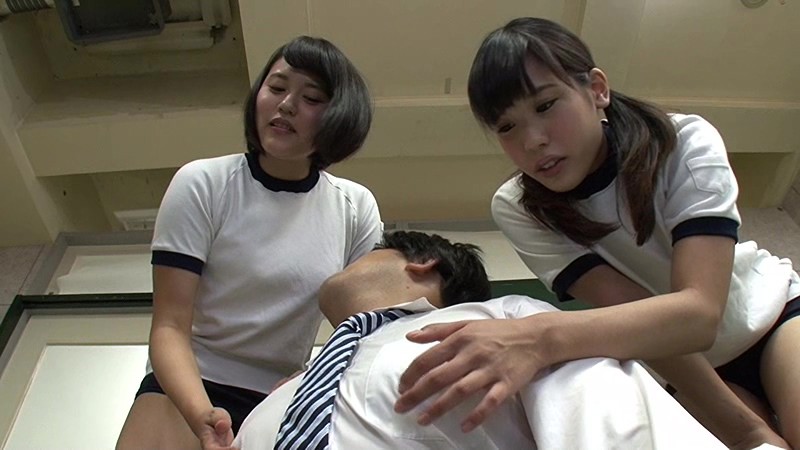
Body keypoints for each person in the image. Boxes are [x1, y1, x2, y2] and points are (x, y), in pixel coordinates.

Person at [393, 17, 800, 450]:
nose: (533, 141)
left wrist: (538, 337)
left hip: (772, 318)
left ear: (597, 89)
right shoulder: (517, 207)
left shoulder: (682, 142)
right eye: (507, 127)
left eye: (546, 105)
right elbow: (636, 316)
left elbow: (700, 315)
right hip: (681, 363)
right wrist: (747, 431)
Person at [116, 36, 382, 450]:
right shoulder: (204, 182)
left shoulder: (354, 206)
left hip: (282, 397)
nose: (286, 105)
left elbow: (364, 331)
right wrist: (202, 416)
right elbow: (169, 325)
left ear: (339, 117)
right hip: (187, 383)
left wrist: (312, 378)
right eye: (276, 87)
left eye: (311, 98)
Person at [233, 230, 728, 449]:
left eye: (368, 252)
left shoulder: (504, 324)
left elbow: (616, 428)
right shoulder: (286, 394)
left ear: (422, 263)